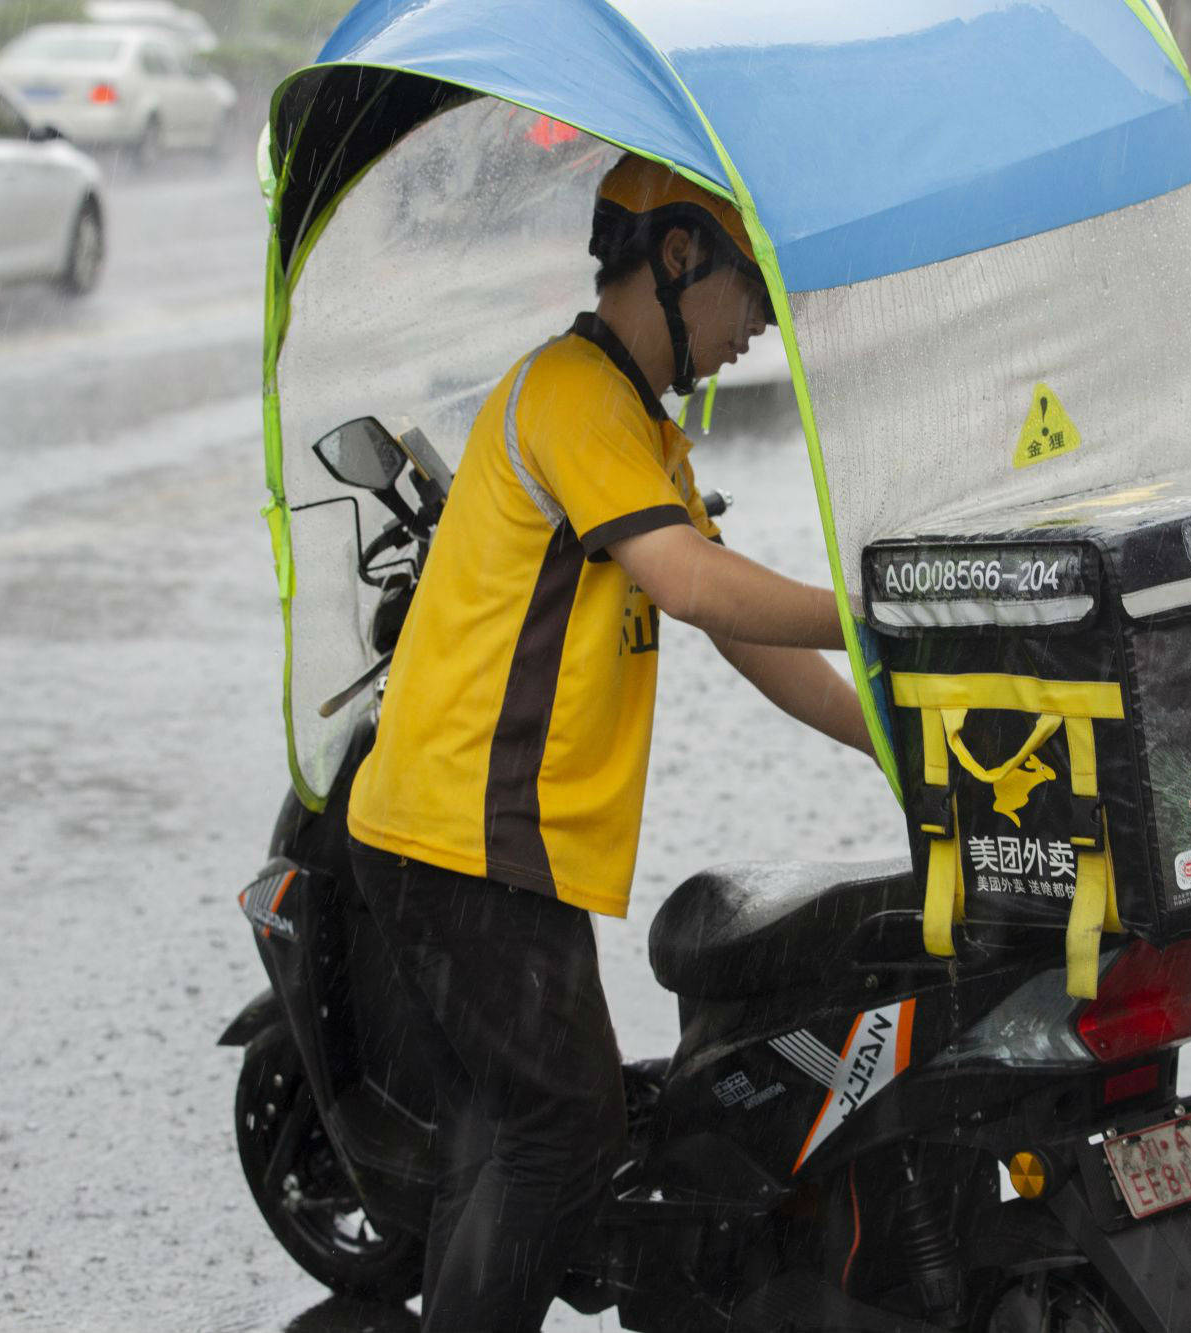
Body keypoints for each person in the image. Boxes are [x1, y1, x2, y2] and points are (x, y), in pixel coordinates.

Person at [342, 153, 875, 1332]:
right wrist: (875, 606)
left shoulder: (638, 432)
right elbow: (693, 584)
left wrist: (882, 733)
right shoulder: (573, 397)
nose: (755, 334)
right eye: (750, 296)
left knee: (514, 1128)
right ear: (677, 258)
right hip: (459, 829)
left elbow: (740, 629)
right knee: (563, 1133)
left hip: (493, 836)